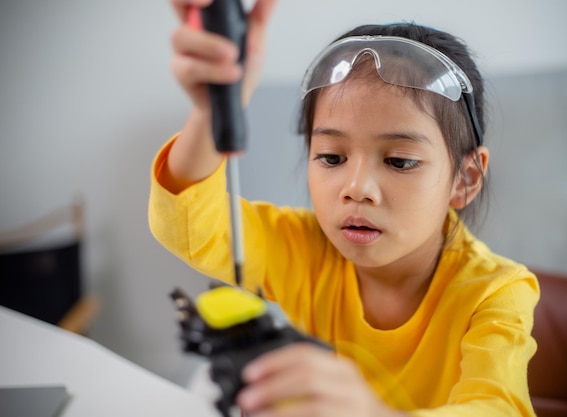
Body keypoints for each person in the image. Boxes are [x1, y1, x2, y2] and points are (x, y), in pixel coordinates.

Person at [149, 0, 540, 415]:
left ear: (466, 179)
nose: (356, 189)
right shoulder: (305, 248)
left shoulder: (496, 293)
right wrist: (214, 113)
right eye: (332, 158)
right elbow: (188, 223)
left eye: (399, 161)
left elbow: (498, 408)